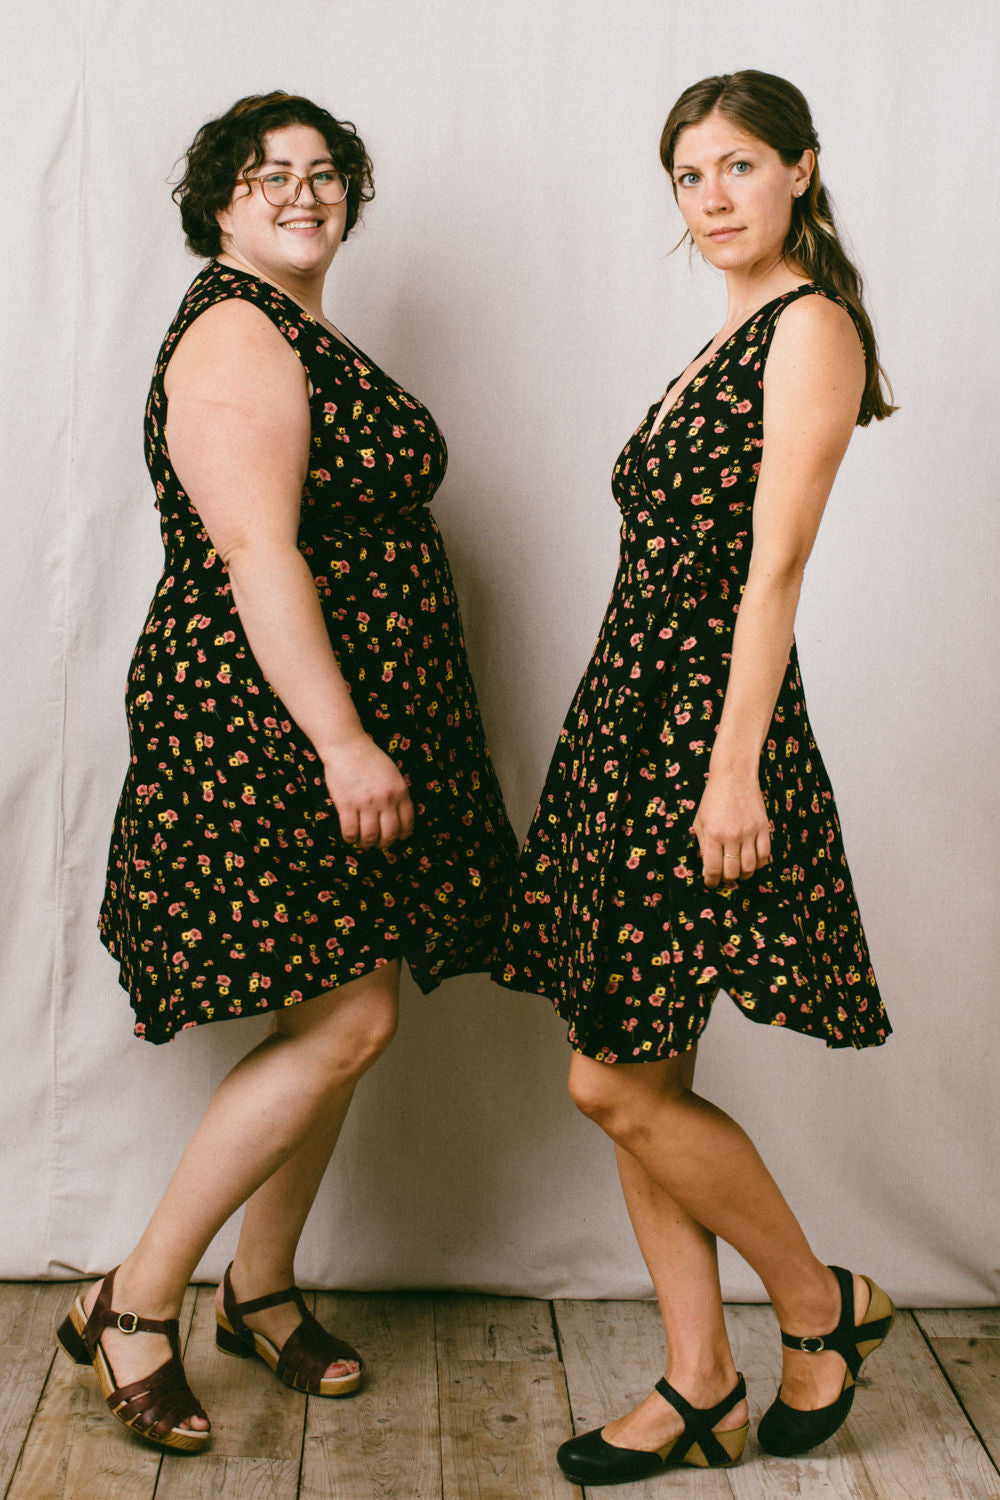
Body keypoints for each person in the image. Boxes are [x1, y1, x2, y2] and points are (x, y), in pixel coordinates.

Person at [57, 91, 516, 1453]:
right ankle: (134, 1303)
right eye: (269, 175)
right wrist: (344, 742)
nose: (304, 193)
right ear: (218, 204)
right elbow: (258, 555)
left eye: (324, 173)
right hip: (270, 726)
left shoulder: (296, 327)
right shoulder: (236, 332)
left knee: (347, 1002)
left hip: (338, 713)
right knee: (349, 1020)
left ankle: (258, 1291)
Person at [495, 70, 896, 1483]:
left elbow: (773, 572)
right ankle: (702, 1381)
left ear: (801, 169)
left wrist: (732, 774)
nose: (712, 197)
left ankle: (820, 1302)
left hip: (706, 735)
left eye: (737, 165)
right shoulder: (720, 338)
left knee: (611, 1083)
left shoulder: (811, 327)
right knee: (638, 1055)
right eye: (688, 174)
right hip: (631, 721)